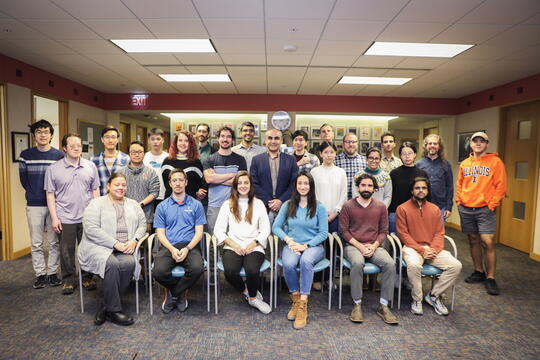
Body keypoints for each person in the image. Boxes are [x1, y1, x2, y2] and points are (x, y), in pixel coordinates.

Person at [78, 173, 147, 326]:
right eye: (117, 184)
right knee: (112, 264)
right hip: (98, 247)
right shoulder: (96, 204)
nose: (121, 188)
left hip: (125, 247)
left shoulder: (133, 204)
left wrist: (134, 241)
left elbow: (143, 224)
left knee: (129, 264)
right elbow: (91, 229)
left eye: (123, 185)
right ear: (108, 186)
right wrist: (115, 243)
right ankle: (114, 311)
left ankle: (106, 306)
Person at [396, 177, 462, 316]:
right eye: (417, 188)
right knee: (414, 265)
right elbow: (403, 234)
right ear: (412, 190)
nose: (421, 190)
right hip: (412, 247)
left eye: (424, 188)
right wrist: (421, 250)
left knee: (456, 265)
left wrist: (433, 250)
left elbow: (439, 232)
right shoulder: (402, 208)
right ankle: (417, 299)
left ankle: (433, 296)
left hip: (433, 248)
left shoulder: (435, 209)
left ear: (428, 190)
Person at [44, 133, 100, 295]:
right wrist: (54, 218)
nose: (76, 148)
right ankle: (69, 279)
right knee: (66, 250)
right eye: (72, 145)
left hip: (87, 216)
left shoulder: (90, 166)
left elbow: (95, 190)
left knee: (88, 248)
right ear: (64, 148)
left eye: (78, 145)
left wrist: (96, 213)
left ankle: (87, 277)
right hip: (65, 217)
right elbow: (50, 195)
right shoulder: (53, 169)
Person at [272, 171, 328, 330]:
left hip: (313, 246)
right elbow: (275, 227)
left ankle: (303, 304)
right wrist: (289, 240)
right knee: (288, 264)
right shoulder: (288, 205)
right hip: (292, 244)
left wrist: (306, 246)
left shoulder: (320, 207)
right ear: (295, 186)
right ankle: (295, 299)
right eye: (300, 183)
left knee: (305, 261)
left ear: (311, 186)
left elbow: (323, 233)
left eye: (306, 183)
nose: (303, 186)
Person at [339, 173, 398, 325]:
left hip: (374, 246)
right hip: (353, 246)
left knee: (390, 264)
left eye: (370, 185)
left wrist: (373, 246)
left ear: (375, 188)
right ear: (358, 187)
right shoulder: (348, 206)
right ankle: (357, 304)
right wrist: (359, 245)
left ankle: (383, 305)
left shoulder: (380, 207)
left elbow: (383, 231)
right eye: (363, 185)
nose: (366, 188)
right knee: (358, 263)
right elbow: (344, 231)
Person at [214, 171, 272, 314]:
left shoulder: (258, 204)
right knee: (230, 272)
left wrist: (254, 244)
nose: (243, 185)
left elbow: (265, 229)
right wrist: (234, 245)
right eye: (240, 183)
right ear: (235, 185)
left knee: (252, 270)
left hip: (254, 245)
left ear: (251, 185)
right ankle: (246, 291)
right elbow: (218, 230)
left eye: (246, 182)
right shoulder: (227, 204)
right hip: (233, 245)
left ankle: (253, 298)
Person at [456, 132, 507, 296]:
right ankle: (479, 271)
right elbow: (460, 184)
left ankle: (491, 277)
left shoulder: (496, 162)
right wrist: (459, 201)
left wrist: (492, 204)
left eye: (482, 141)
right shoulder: (465, 163)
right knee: (473, 240)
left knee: (488, 242)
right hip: (466, 208)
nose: (478, 143)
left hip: (485, 208)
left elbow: (501, 186)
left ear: (487, 144)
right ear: (470, 144)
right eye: (475, 141)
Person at [19, 119, 64, 289]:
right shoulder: (26, 155)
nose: (42, 135)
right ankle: (40, 274)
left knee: (53, 242)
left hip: (55, 205)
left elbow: (61, 180)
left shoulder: (59, 155)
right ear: (34, 135)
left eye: (46, 131)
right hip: (34, 204)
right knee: (37, 242)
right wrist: (34, 193)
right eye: (39, 132)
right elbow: (24, 180)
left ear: (51, 135)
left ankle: (52, 273)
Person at [153, 169, 206, 313]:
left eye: (181, 180)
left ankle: (175, 293)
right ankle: (179, 291)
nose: (178, 183)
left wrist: (188, 248)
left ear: (186, 182)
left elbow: (199, 232)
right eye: (174, 180)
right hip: (169, 246)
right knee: (158, 272)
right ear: (169, 183)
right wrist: (171, 249)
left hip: (190, 246)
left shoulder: (196, 205)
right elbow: (160, 233)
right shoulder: (162, 206)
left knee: (197, 269)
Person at [310, 141, 347, 290]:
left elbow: (344, 194)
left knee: (332, 249)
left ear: (335, 154)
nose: (329, 155)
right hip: (318, 215)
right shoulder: (315, 172)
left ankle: (329, 278)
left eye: (331, 152)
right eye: (326, 152)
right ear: (320, 154)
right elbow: (312, 193)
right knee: (318, 247)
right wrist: (321, 213)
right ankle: (317, 278)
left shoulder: (341, 172)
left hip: (335, 216)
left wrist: (335, 212)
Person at [250, 129, 298, 223]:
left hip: (285, 206)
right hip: (263, 206)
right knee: (265, 236)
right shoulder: (256, 160)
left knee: (283, 236)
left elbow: (294, 183)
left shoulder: (291, 160)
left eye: (276, 138)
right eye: (270, 138)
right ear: (265, 141)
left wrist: (280, 200)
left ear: (281, 141)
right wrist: (269, 202)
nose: (273, 141)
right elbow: (254, 183)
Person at [388, 142, 428, 234]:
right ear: (400, 156)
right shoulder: (394, 173)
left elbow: (427, 194)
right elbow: (390, 194)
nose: (407, 156)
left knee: (414, 239)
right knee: (395, 242)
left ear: (414, 155)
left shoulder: (422, 173)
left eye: (409, 153)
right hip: (396, 212)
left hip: (416, 212)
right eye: (404, 154)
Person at [118, 141, 160, 228]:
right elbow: (117, 192)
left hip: (146, 216)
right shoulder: (121, 172)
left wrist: (140, 204)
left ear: (144, 153)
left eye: (140, 152)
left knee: (145, 240)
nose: (137, 155)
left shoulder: (151, 172)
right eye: (134, 152)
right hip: (125, 215)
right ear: (129, 154)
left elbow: (154, 192)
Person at [161, 131, 207, 202]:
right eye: (180, 140)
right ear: (176, 142)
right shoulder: (167, 161)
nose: (183, 143)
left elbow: (201, 184)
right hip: (170, 203)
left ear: (190, 144)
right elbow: (166, 184)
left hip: (190, 204)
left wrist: (200, 192)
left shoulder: (196, 162)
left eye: (186, 141)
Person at [417, 134, 454, 220]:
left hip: (440, 206)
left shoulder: (446, 165)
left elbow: (449, 187)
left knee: (438, 233)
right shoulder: (419, 164)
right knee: (422, 232)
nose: (432, 146)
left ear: (439, 146)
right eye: (430, 143)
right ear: (426, 146)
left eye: (435, 143)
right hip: (421, 205)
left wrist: (448, 207)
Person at [91, 126, 130, 196]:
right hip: (101, 202)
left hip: (122, 201)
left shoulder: (126, 159)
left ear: (117, 139)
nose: (110, 140)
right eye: (107, 137)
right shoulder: (94, 160)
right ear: (102, 139)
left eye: (113, 137)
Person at [335, 133, 367, 199]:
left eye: (353, 142)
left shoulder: (365, 161)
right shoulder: (335, 161)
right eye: (348, 142)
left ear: (357, 144)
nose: (351, 144)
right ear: (343, 144)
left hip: (360, 201)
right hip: (340, 201)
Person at [143, 128, 169, 209]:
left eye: (158, 139)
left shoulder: (168, 157)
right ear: (148, 141)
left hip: (164, 195)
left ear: (163, 140)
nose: (155, 142)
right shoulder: (144, 157)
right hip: (148, 195)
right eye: (152, 139)